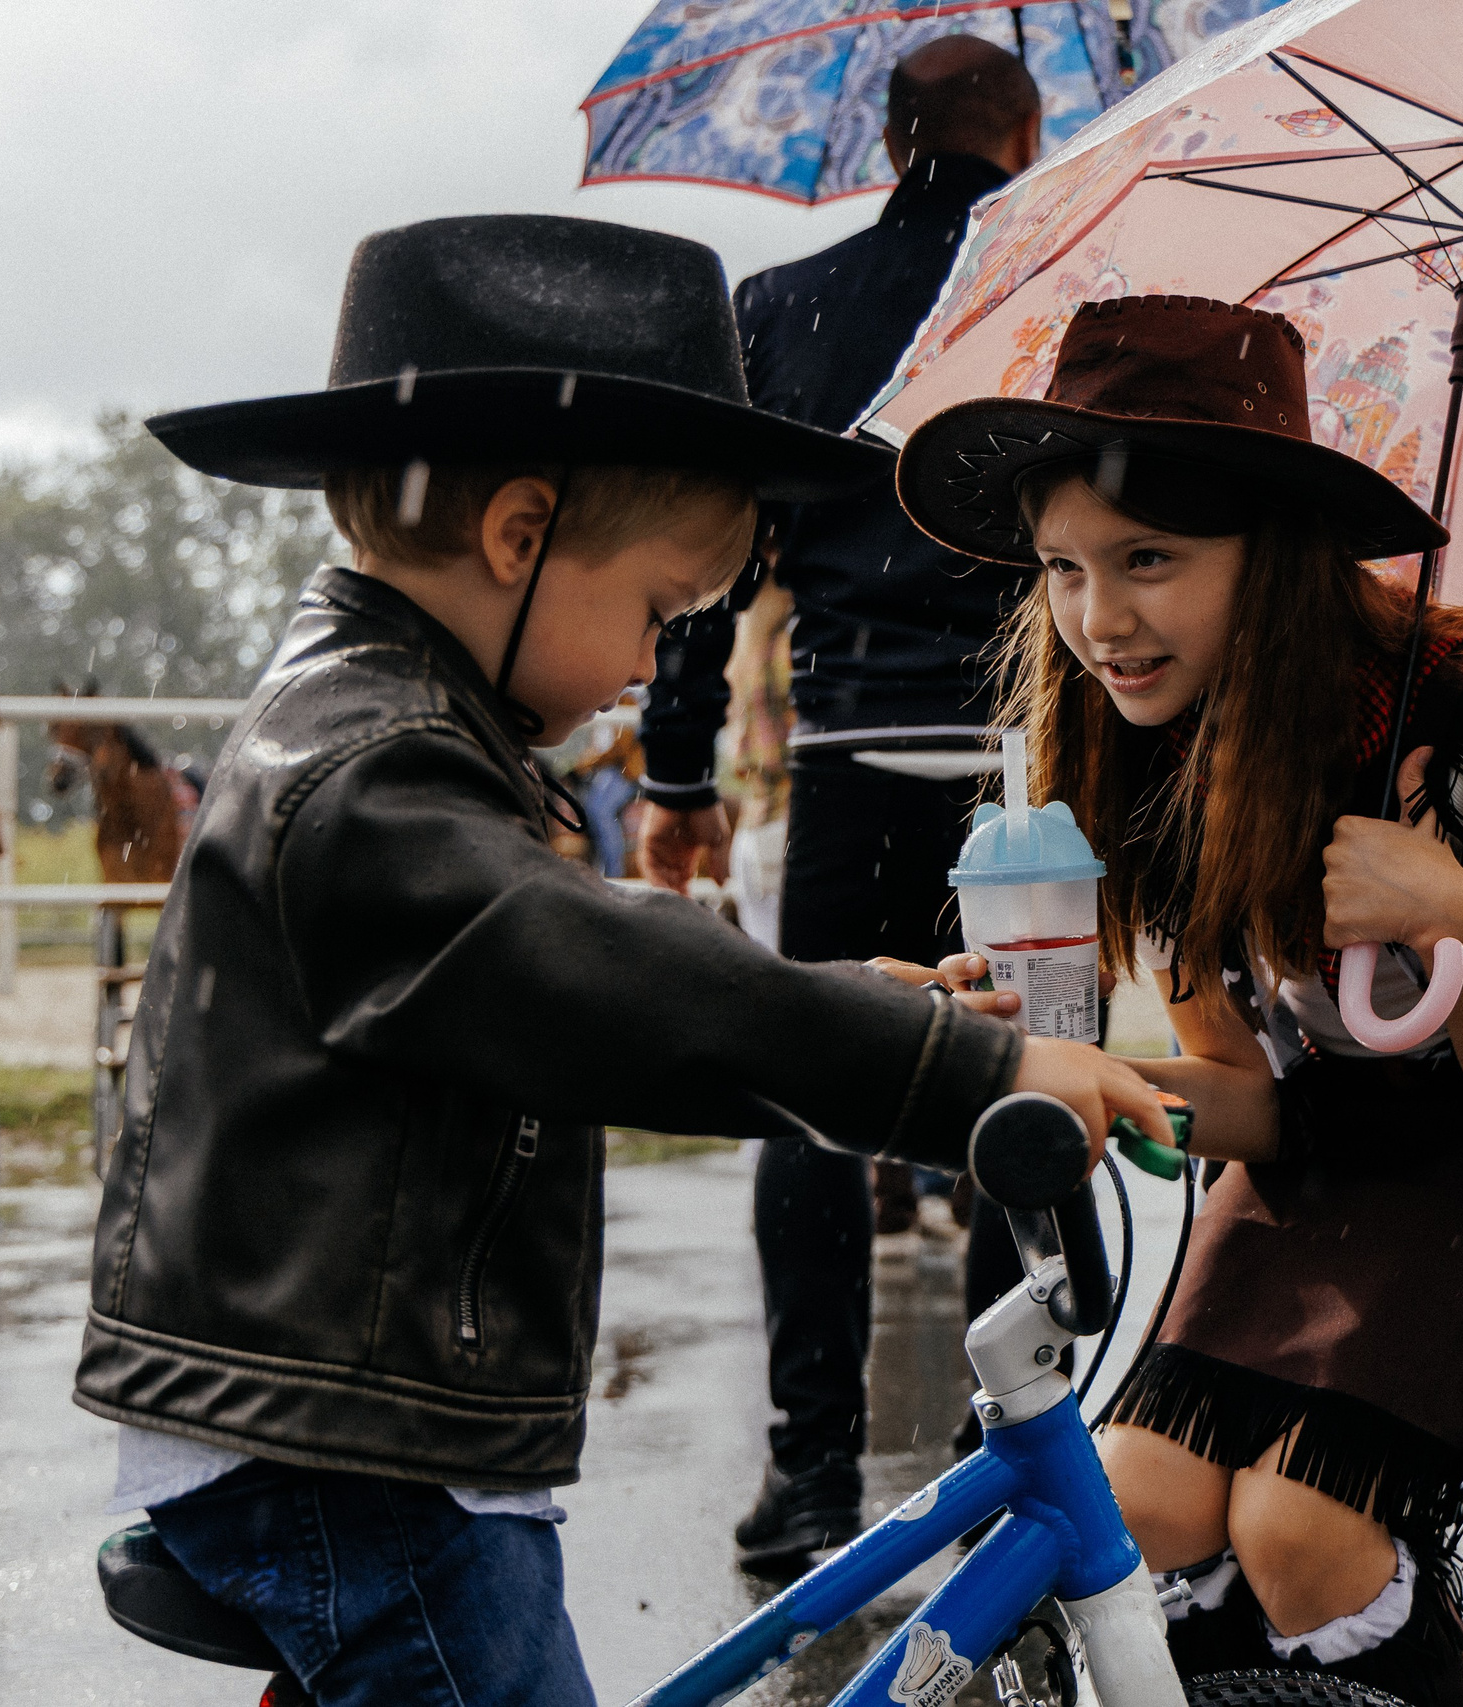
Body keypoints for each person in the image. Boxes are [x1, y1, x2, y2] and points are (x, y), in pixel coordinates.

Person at [75, 214, 1168, 1707]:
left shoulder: (397, 726)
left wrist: (850, 1003)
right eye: (658, 612)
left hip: (347, 1414)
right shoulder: (377, 767)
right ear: (519, 537)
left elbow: (574, 987)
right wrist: (964, 1066)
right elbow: (603, 974)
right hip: (352, 1455)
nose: (659, 666)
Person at [893, 295, 1463, 1706]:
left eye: (1149, 561)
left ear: (1279, 557)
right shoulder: (1127, 755)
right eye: (1062, 568)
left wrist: (1447, 917)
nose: (1098, 619)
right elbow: (1242, 1091)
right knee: (1146, 1495)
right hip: (1329, 1134)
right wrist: (1037, 1063)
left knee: (1300, 1524)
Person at [633, 34, 1047, 1571]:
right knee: (1019, 1087)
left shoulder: (785, 305)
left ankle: (807, 1471)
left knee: (811, 1099)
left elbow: (708, 561)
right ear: (1028, 131)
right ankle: (1006, 1451)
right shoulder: (1056, 288)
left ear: (886, 142)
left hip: (845, 758)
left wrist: (676, 769)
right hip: (1023, 771)